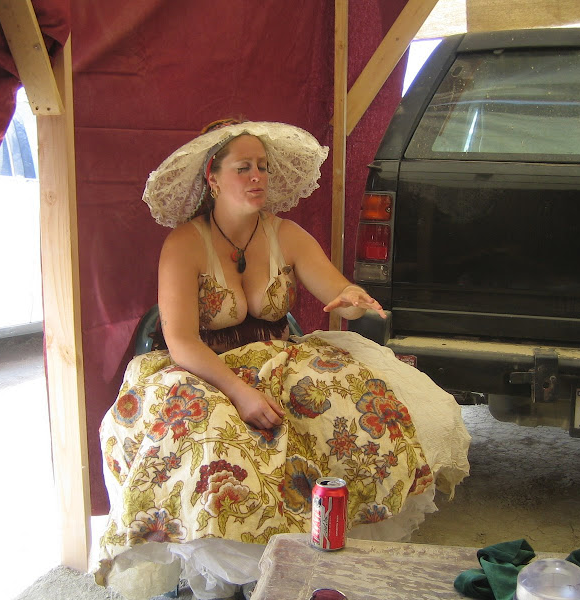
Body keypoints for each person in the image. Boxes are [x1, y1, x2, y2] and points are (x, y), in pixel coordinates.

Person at [95, 119, 471, 600]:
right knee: (210, 440)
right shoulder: (184, 243)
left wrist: (354, 300)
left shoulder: (286, 234)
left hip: (280, 359)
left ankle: (303, 558)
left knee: (358, 409)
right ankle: (231, 575)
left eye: (263, 167)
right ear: (213, 177)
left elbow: (338, 292)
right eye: (243, 167)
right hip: (202, 367)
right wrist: (240, 392)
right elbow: (183, 341)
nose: (258, 177)